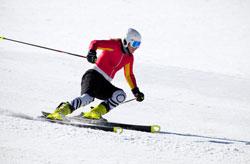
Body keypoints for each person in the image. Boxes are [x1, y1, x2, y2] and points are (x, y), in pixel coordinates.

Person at [47, 28, 144, 120]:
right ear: (127, 41)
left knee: (120, 95)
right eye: (135, 43)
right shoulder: (114, 44)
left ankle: (94, 113)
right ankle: (61, 111)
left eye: (138, 44)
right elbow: (95, 43)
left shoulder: (129, 58)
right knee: (87, 98)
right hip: (93, 76)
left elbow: (129, 75)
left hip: (104, 83)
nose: (136, 47)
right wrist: (92, 52)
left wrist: (136, 91)